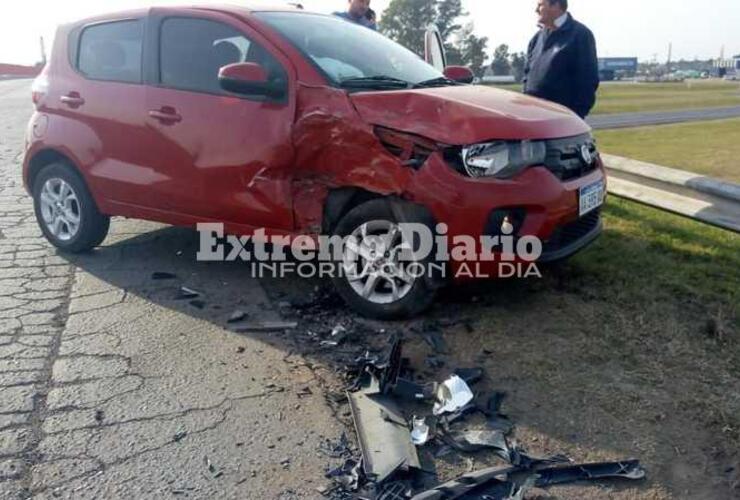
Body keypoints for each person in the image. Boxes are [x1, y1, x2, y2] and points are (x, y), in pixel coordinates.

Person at [523, 0, 599, 118]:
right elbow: (527, 75)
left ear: (556, 5)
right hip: (534, 117)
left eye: (540, 5)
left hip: (562, 120)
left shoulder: (580, 35)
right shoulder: (536, 38)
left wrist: (576, 115)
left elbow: (588, 80)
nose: (536, 10)